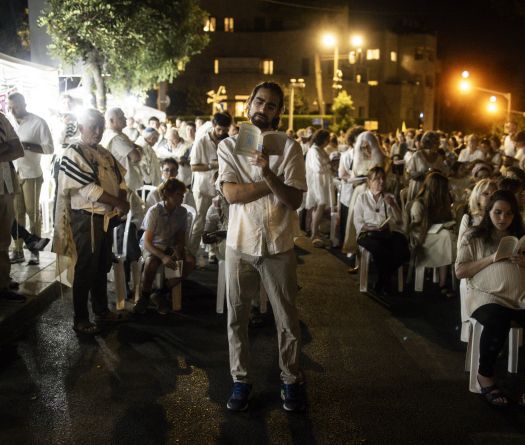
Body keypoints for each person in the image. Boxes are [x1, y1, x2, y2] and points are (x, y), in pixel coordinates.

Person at [218, 81, 306, 412]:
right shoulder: (228, 146)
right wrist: (271, 186)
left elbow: (294, 199)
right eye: (259, 102)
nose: (263, 110)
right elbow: (232, 194)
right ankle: (240, 380)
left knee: (287, 318)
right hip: (239, 242)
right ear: (248, 105)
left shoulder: (291, 148)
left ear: (279, 112)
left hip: (279, 243)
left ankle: (291, 379)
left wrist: (268, 173)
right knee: (237, 317)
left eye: (271, 106)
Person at [55, 109, 129, 335]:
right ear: (80, 127)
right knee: (86, 268)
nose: (97, 131)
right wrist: (118, 201)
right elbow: (88, 189)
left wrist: (121, 201)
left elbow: (122, 181)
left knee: (102, 265)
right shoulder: (73, 151)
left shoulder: (104, 152)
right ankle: (80, 319)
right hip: (86, 220)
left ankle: (101, 310)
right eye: (92, 126)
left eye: (100, 126)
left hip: (106, 219)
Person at [456, 190, 525, 406]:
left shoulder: (519, 237)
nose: (503, 218)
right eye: (498, 212)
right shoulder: (473, 236)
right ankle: (485, 375)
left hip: (519, 298)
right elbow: (460, 271)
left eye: (508, 214)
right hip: (486, 298)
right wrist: (492, 258)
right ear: (489, 212)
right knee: (497, 319)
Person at [134, 178, 195, 315]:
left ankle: (161, 293)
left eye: (182, 195)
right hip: (153, 246)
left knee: (190, 262)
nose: (182, 198)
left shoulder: (182, 212)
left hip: (169, 246)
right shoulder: (155, 211)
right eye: (179, 194)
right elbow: (147, 242)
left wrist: (178, 250)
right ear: (168, 194)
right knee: (151, 262)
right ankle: (144, 297)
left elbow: (180, 237)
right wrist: (163, 257)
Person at [7, 92, 54, 266]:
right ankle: (18, 251)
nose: (12, 111)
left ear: (24, 103)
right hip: (12, 173)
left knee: (32, 213)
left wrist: (26, 145)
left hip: (31, 173)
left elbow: (49, 148)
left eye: (16, 107)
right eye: (10, 107)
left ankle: (35, 252)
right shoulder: (8, 122)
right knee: (16, 213)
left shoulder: (38, 122)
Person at [354, 166, 409, 296]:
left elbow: (399, 221)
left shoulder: (389, 197)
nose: (381, 182)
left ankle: (382, 280)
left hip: (386, 233)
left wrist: (393, 205)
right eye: (377, 179)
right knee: (380, 249)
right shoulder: (362, 198)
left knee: (403, 250)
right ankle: (385, 283)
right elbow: (357, 221)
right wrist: (372, 228)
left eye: (383, 178)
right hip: (367, 233)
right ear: (370, 181)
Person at [408, 172, 456, 297]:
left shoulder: (442, 202)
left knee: (447, 236)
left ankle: (443, 282)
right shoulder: (419, 204)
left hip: (437, 234)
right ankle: (443, 283)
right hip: (422, 237)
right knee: (447, 237)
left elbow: (447, 218)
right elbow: (416, 227)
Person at [189, 112, 231, 255]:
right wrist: (212, 166)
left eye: (225, 130)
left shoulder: (227, 141)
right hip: (202, 187)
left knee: (219, 220)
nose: (222, 133)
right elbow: (193, 166)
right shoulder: (201, 141)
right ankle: (191, 253)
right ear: (213, 125)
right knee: (199, 222)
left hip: (221, 187)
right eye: (219, 129)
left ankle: (215, 252)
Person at [342, 131, 385, 269]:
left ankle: (374, 255)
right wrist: (354, 179)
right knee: (355, 222)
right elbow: (355, 176)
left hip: (374, 193)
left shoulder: (379, 158)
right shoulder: (358, 158)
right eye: (362, 147)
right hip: (359, 192)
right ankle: (355, 253)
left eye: (367, 146)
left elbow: (381, 178)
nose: (364, 149)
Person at [0, 111, 25, 301]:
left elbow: (18, 149)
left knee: (3, 239)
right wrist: (4, 148)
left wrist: (7, 147)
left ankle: (2, 281)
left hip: (6, 187)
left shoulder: (1, 118)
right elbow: (11, 148)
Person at [305, 129, 333, 246]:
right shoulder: (314, 150)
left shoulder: (319, 149)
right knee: (320, 205)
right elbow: (318, 167)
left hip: (322, 181)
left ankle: (314, 231)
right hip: (317, 182)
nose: (328, 142)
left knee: (318, 206)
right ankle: (314, 232)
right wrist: (329, 164)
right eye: (327, 139)